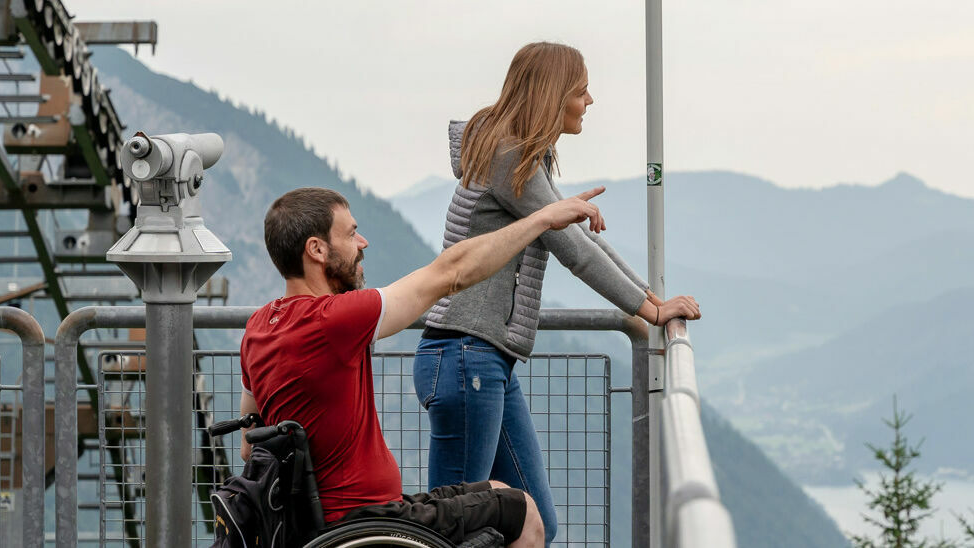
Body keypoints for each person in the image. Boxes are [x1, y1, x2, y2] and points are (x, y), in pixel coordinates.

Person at [418, 41, 701, 543]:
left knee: (537, 526)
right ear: (553, 94)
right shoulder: (510, 157)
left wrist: (651, 301)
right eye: (581, 90)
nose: (589, 101)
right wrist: (651, 310)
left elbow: (583, 239)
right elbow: (575, 251)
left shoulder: (520, 155)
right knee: (449, 532)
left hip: (487, 362)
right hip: (466, 358)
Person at [238, 186, 605, 548]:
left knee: (498, 490)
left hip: (334, 522)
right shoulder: (332, 320)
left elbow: (248, 445)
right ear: (316, 250)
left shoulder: (257, 328)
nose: (362, 242)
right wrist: (540, 218)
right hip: (368, 523)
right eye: (350, 234)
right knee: (524, 512)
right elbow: (452, 272)